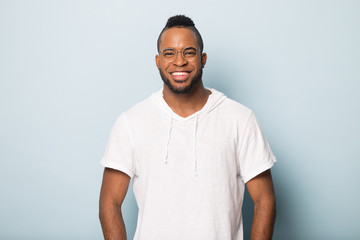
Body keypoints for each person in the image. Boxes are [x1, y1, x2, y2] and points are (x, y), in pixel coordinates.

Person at [99, 15, 277, 240]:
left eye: (189, 52)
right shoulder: (131, 122)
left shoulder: (240, 119)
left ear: (203, 59)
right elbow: (109, 203)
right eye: (169, 53)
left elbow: (265, 199)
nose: (179, 61)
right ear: (158, 61)